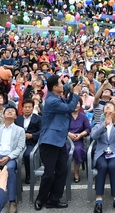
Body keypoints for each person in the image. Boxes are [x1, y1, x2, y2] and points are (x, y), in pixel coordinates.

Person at [34, 75, 81, 211]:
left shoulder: (58, 97)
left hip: (59, 141)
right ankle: (41, 198)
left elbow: (68, 96)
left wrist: (72, 90)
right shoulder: (51, 101)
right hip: (49, 142)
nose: (63, 84)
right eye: (60, 83)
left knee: (62, 171)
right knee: (49, 173)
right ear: (55, 87)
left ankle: (53, 199)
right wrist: (76, 93)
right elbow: (70, 107)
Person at [90, 102, 115, 213]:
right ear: (103, 112)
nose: (108, 109)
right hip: (101, 153)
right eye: (106, 108)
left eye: (110, 107)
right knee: (102, 166)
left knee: (112, 166)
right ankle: (99, 200)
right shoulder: (98, 124)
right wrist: (103, 125)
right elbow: (93, 136)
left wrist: (114, 123)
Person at [14, 99, 42, 184]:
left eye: (29, 107)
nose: (27, 109)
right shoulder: (18, 119)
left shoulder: (38, 119)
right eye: (25, 107)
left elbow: (42, 131)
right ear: (22, 108)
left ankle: (29, 175)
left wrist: (32, 135)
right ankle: (14, 176)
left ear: (33, 108)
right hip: (19, 142)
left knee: (27, 155)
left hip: (32, 142)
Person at [67, 98, 91, 183]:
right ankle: (64, 171)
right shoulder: (65, 116)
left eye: (78, 103)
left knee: (78, 150)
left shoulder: (83, 116)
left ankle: (76, 172)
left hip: (78, 139)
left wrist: (80, 135)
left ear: (80, 105)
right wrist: (69, 134)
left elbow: (88, 129)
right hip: (66, 139)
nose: (76, 105)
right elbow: (61, 127)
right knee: (64, 150)